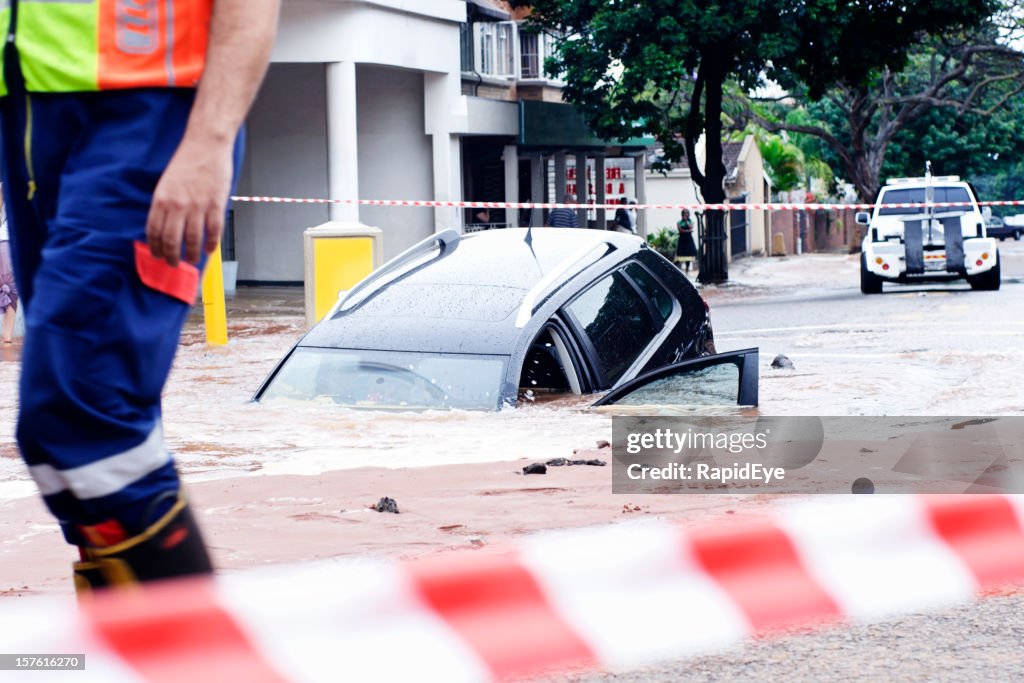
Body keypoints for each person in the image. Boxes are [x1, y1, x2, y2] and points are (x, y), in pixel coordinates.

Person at [0, 1, 280, 592]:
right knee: (66, 459)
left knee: (81, 414)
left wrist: (209, 137)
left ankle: (196, 659)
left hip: (152, 108)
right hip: (29, 109)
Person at [0, 186, 16, 344]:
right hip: (9, 242)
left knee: (8, 288)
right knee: (10, 290)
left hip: (4, 240)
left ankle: (7, 338)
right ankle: (7, 338)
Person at [675, 208, 698, 273]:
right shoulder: (679, 222)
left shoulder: (690, 221)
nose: (686, 214)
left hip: (689, 240)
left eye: (687, 213)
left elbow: (691, 227)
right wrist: (688, 231)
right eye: (684, 213)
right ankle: (676, 268)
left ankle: (687, 269)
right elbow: (680, 230)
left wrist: (686, 222)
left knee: (688, 255)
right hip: (682, 240)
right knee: (681, 255)